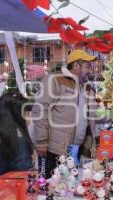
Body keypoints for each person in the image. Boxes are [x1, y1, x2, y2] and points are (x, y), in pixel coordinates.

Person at [32, 49, 97, 178]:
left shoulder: (87, 87)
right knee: (50, 188)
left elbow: (91, 116)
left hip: (76, 150)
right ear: (76, 66)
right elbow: (40, 110)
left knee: (70, 188)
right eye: (87, 66)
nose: (90, 70)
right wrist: (41, 142)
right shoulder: (55, 80)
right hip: (53, 150)